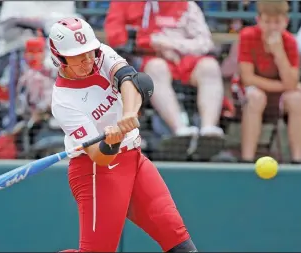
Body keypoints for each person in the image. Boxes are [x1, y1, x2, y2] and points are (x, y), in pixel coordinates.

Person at [49, 18, 197, 252]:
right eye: (78, 56)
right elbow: (100, 156)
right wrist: (112, 141)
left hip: (135, 161)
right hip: (96, 172)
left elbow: (131, 80)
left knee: (179, 241)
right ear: (60, 58)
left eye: (89, 52)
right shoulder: (63, 102)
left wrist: (127, 115)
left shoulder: (102, 55)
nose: (87, 60)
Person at [105, 1, 225, 158]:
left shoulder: (187, 5)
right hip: (147, 58)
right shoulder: (124, 3)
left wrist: (171, 45)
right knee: (157, 67)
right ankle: (180, 132)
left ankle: (208, 132)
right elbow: (116, 38)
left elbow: (205, 42)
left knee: (210, 66)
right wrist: (153, 44)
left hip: (186, 59)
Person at [238, 0, 301, 163]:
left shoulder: (290, 42)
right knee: (257, 97)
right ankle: (246, 160)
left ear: (286, 21)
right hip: (252, 94)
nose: (272, 27)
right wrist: (284, 86)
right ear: (258, 20)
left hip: (280, 98)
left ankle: (298, 160)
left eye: (277, 22)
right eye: (267, 21)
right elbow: (247, 78)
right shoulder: (247, 36)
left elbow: (291, 81)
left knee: (296, 99)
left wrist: (279, 53)